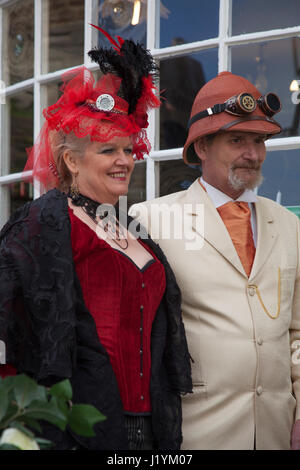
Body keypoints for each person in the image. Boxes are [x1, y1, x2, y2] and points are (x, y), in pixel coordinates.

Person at [0, 28, 192, 450]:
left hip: (152, 431)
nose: (125, 160)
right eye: (109, 151)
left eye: (128, 150)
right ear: (71, 159)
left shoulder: (132, 231)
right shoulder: (43, 223)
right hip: (80, 429)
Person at [129, 71, 300, 450]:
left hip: (277, 432)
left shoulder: (290, 226)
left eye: (258, 141)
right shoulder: (149, 220)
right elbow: (134, 339)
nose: (252, 154)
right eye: (236, 140)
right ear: (202, 147)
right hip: (196, 435)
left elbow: (297, 334)